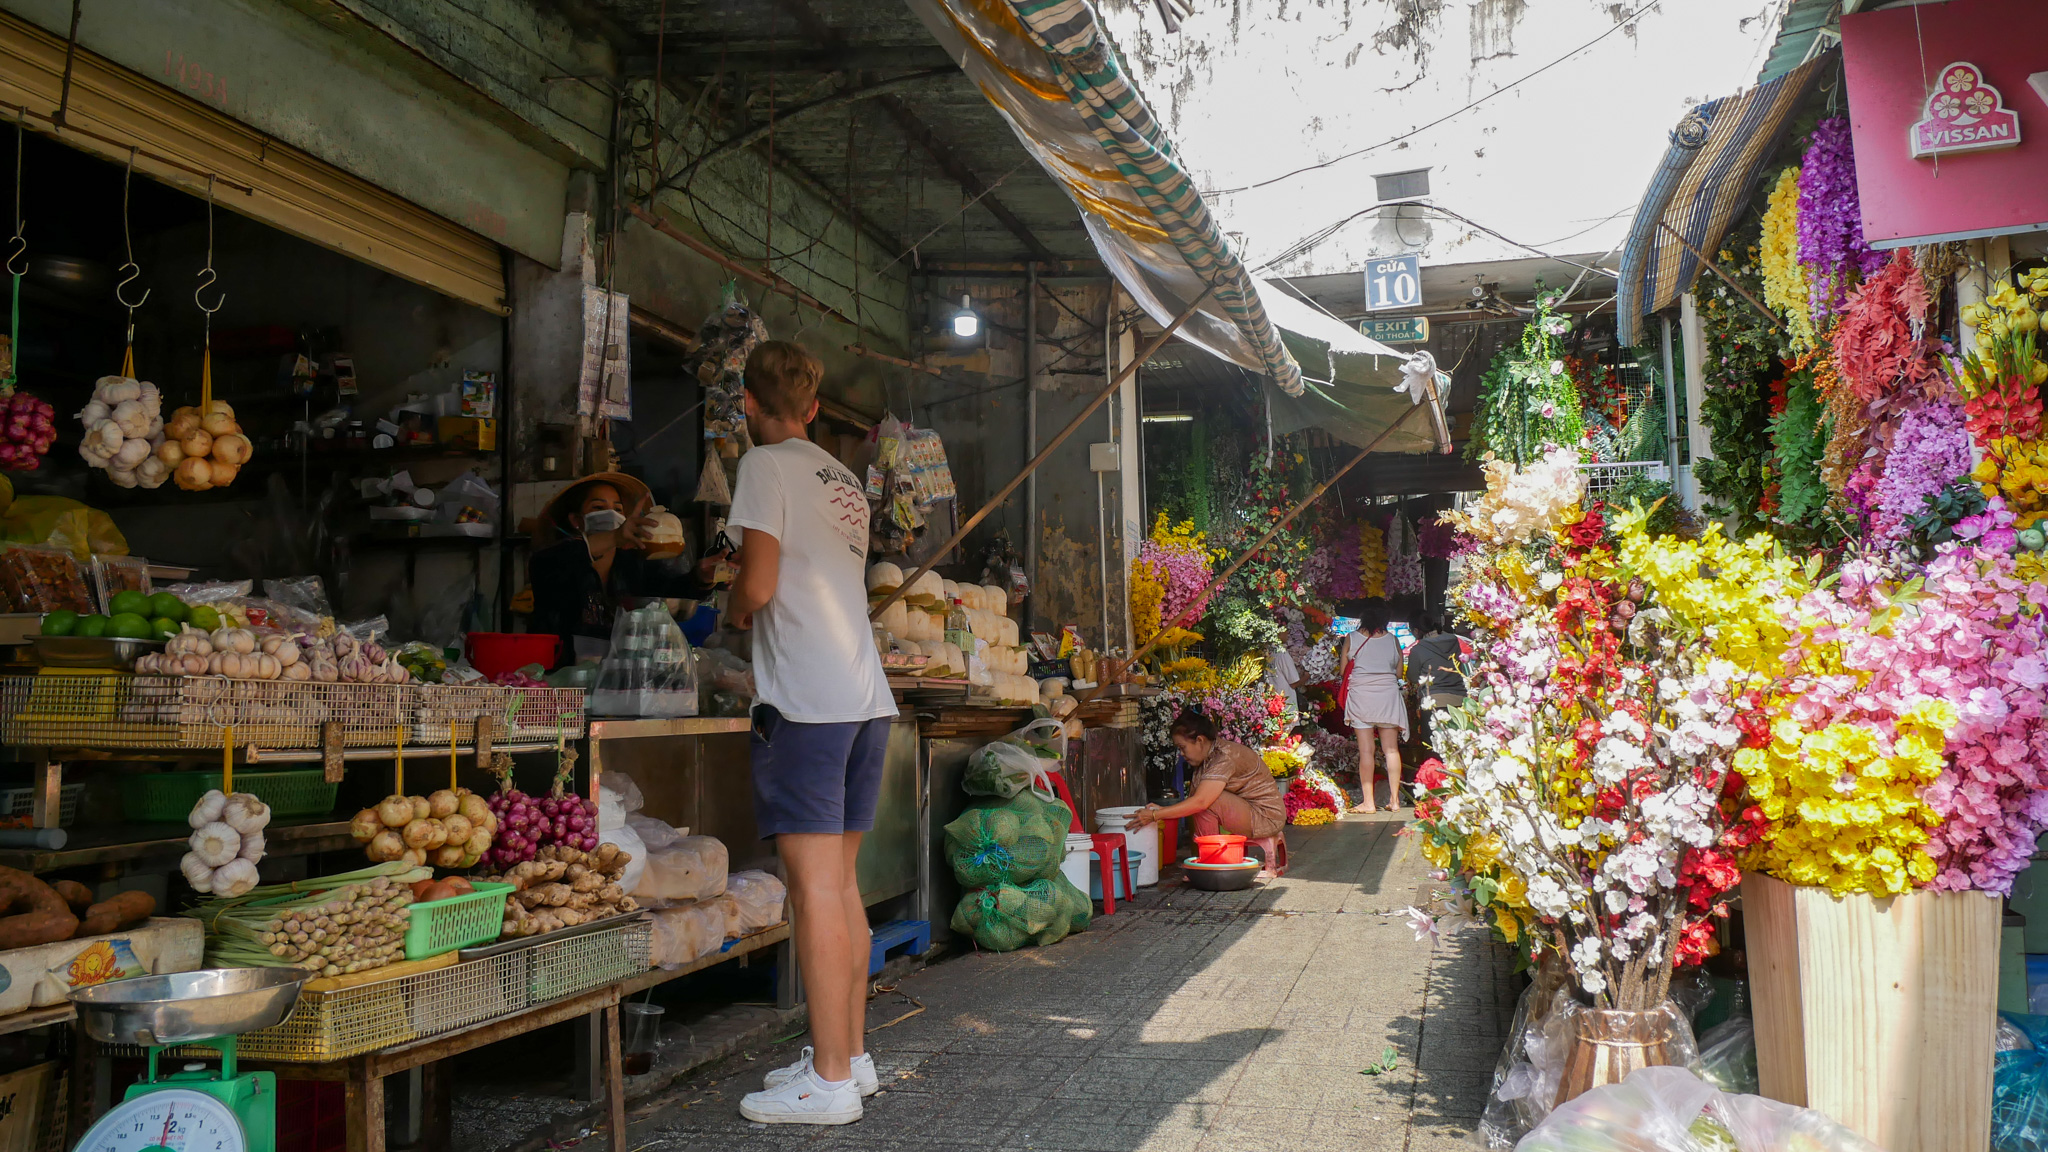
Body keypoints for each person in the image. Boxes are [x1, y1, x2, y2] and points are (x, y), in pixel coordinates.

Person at [725, 341, 897, 1126]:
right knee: (843, 885)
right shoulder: (844, 478)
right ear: (816, 407)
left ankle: (827, 1084)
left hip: (808, 701)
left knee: (814, 889)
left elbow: (758, 584)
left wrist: (728, 614)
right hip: (865, 698)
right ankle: (851, 1060)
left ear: (748, 405)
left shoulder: (763, 466)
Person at [526, 473, 717, 667]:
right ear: (577, 520)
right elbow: (550, 563)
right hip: (555, 677)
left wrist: (702, 576)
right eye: (598, 508)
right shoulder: (553, 559)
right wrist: (615, 537)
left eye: (617, 509)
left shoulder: (632, 564)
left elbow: (670, 590)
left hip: (617, 676)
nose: (611, 514)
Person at [1126, 709, 1286, 856]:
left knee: (1206, 802)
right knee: (1200, 800)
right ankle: (1208, 858)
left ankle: (1211, 859)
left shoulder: (1223, 758)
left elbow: (1201, 802)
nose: (1181, 754)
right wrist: (1162, 811)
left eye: (1183, 747)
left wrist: (1155, 815)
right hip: (1250, 812)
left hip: (1266, 817)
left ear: (1200, 740)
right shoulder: (1208, 758)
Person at [1342, 598, 1407, 815]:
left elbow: (1343, 670)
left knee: (1366, 751)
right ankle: (1395, 800)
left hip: (1361, 697)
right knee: (1391, 749)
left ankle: (1368, 803)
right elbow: (1399, 673)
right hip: (1387, 697)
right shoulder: (1393, 640)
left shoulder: (1351, 638)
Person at [1405, 613, 1469, 749]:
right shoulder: (1453, 641)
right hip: (1459, 700)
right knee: (1458, 746)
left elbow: (1412, 676)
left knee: (1434, 747)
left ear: (1416, 630)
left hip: (1433, 702)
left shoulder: (1418, 649)